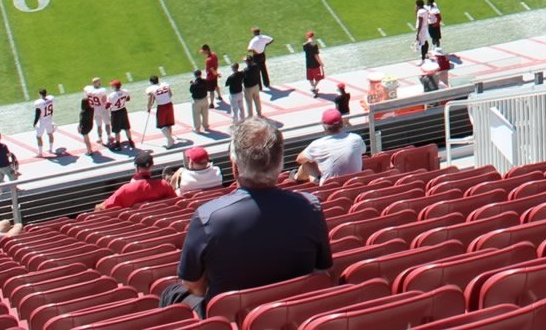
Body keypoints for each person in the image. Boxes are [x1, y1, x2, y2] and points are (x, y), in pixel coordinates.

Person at [162, 118, 331, 315]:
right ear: (280, 164)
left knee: (170, 292)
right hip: (292, 313)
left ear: (234, 167)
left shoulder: (209, 218)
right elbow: (322, 271)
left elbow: (194, 287)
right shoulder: (310, 206)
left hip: (232, 317)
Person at [295, 109, 365, 185]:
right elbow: (363, 151)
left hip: (329, 188)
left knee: (307, 164)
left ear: (323, 125)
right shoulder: (356, 138)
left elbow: (299, 160)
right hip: (355, 184)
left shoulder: (317, 145)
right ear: (342, 123)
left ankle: (295, 180)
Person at [100, 150, 176, 210]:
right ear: (151, 166)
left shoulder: (126, 189)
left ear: (136, 167)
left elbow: (103, 208)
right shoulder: (164, 185)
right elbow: (176, 201)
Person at [146, 75, 176, 146]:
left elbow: (150, 99)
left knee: (162, 125)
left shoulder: (151, 89)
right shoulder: (165, 85)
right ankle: (170, 141)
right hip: (169, 104)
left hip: (161, 107)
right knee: (169, 123)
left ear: (151, 82)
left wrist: (148, 107)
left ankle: (170, 140)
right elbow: (171, 94)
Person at [33, 88, 58, 155]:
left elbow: (37, 114)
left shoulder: (39, 103)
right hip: (49, 119)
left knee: (38, 137)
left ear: (40, 94)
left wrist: (35, 123)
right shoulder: (50, 99)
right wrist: (50, 117)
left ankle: (40, 153)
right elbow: (51, 109)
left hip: (42, 121)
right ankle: (51, 150)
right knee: (50, 134)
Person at [188, 69, 213, 134]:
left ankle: (197, 128)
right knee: (205, 114)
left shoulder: (194, 84)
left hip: (197, 101)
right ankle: (205, 125)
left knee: (196, 115)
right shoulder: (205, 81)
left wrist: (192, 84)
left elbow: (191, 91)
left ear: (195, 75)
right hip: (205, 99)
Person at [301, 33, 324, 98]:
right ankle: (313, 88)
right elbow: (316, 55)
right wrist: (321, 63)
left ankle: (313, 88)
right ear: (313, 36)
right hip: (315, 64)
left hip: (308, 63)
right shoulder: (314, 45)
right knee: (318, 78)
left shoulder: (304, 45)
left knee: (310, 77)